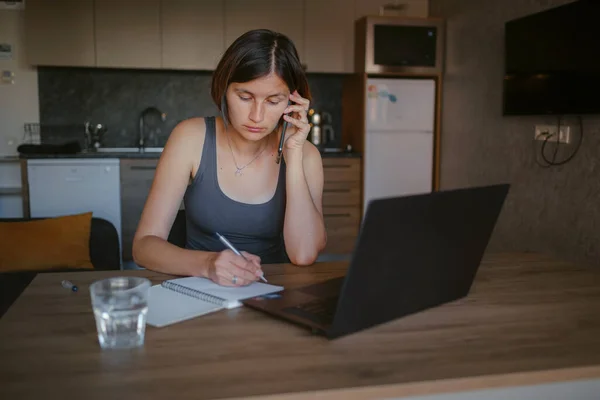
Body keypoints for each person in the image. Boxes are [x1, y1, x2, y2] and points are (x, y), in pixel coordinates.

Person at [132, 29, 327, 287]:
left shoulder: (306, 156)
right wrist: (208, 265)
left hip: (274, 295)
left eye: (273, 101)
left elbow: (303, 255)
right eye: (245, 97)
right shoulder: (190, 138)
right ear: (224, 89)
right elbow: (143, 246)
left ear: (292, 102)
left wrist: (293, 152)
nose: (256, 116)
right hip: (199, 291)